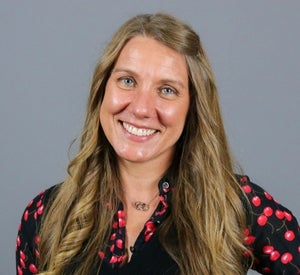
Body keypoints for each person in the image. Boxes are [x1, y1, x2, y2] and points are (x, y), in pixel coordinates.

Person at [16, 13, 300, 275]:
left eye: (167, 90)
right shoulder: (46, 215)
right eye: (127, 81)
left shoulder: (236, 207)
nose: (141, 108)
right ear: (102, 90)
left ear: (192, 108)